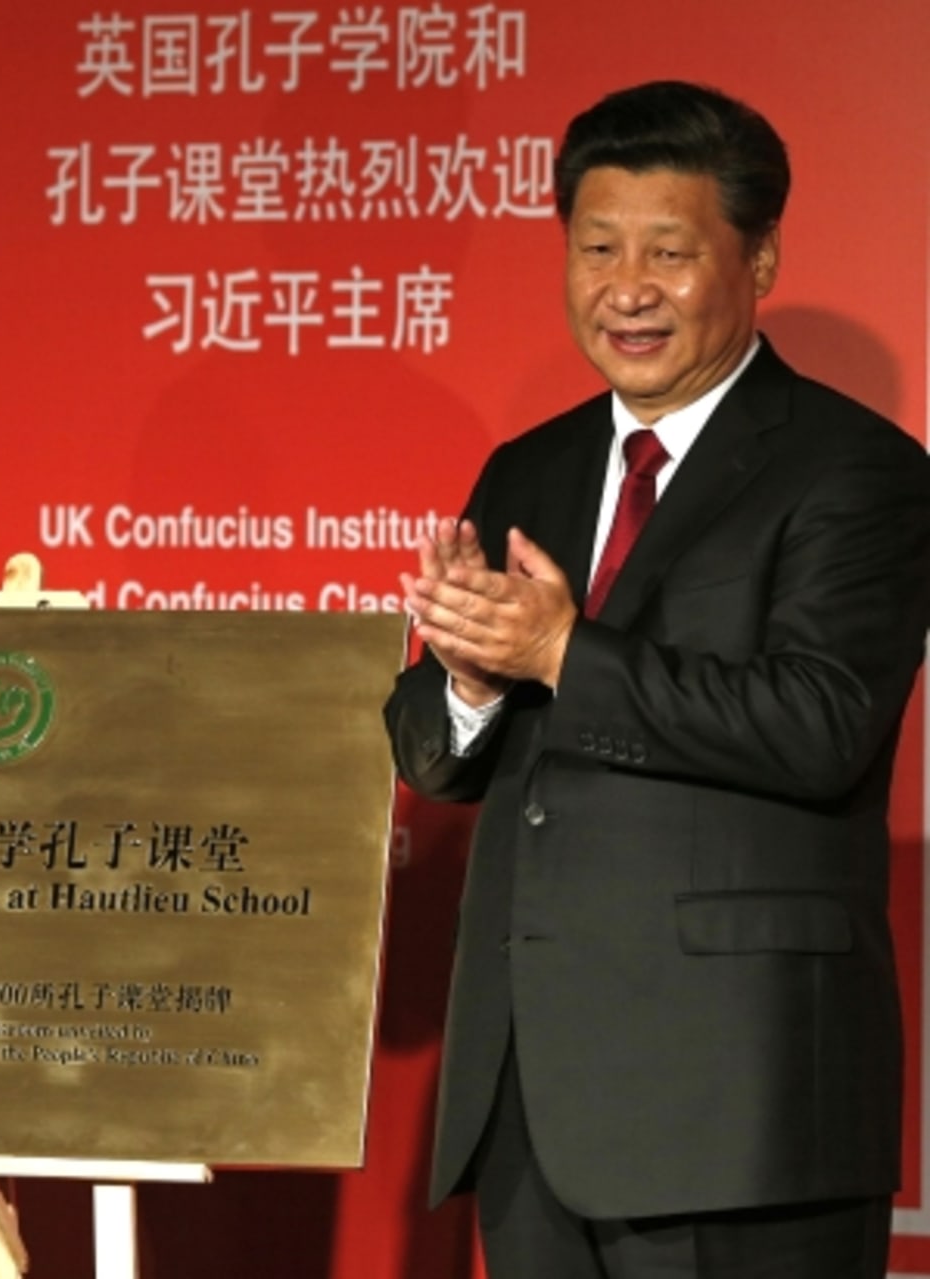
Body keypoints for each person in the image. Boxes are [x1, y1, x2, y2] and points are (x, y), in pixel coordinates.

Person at [384, 80, 930, 1278]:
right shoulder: (529, 467)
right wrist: (471, 679)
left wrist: (560, 654)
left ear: (759, 258)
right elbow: (431, 752)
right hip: (533, 1097)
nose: (626, 289)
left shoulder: (858, 470)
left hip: (737, 1106)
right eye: (596, 250)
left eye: (669, 254)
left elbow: (822, 723)